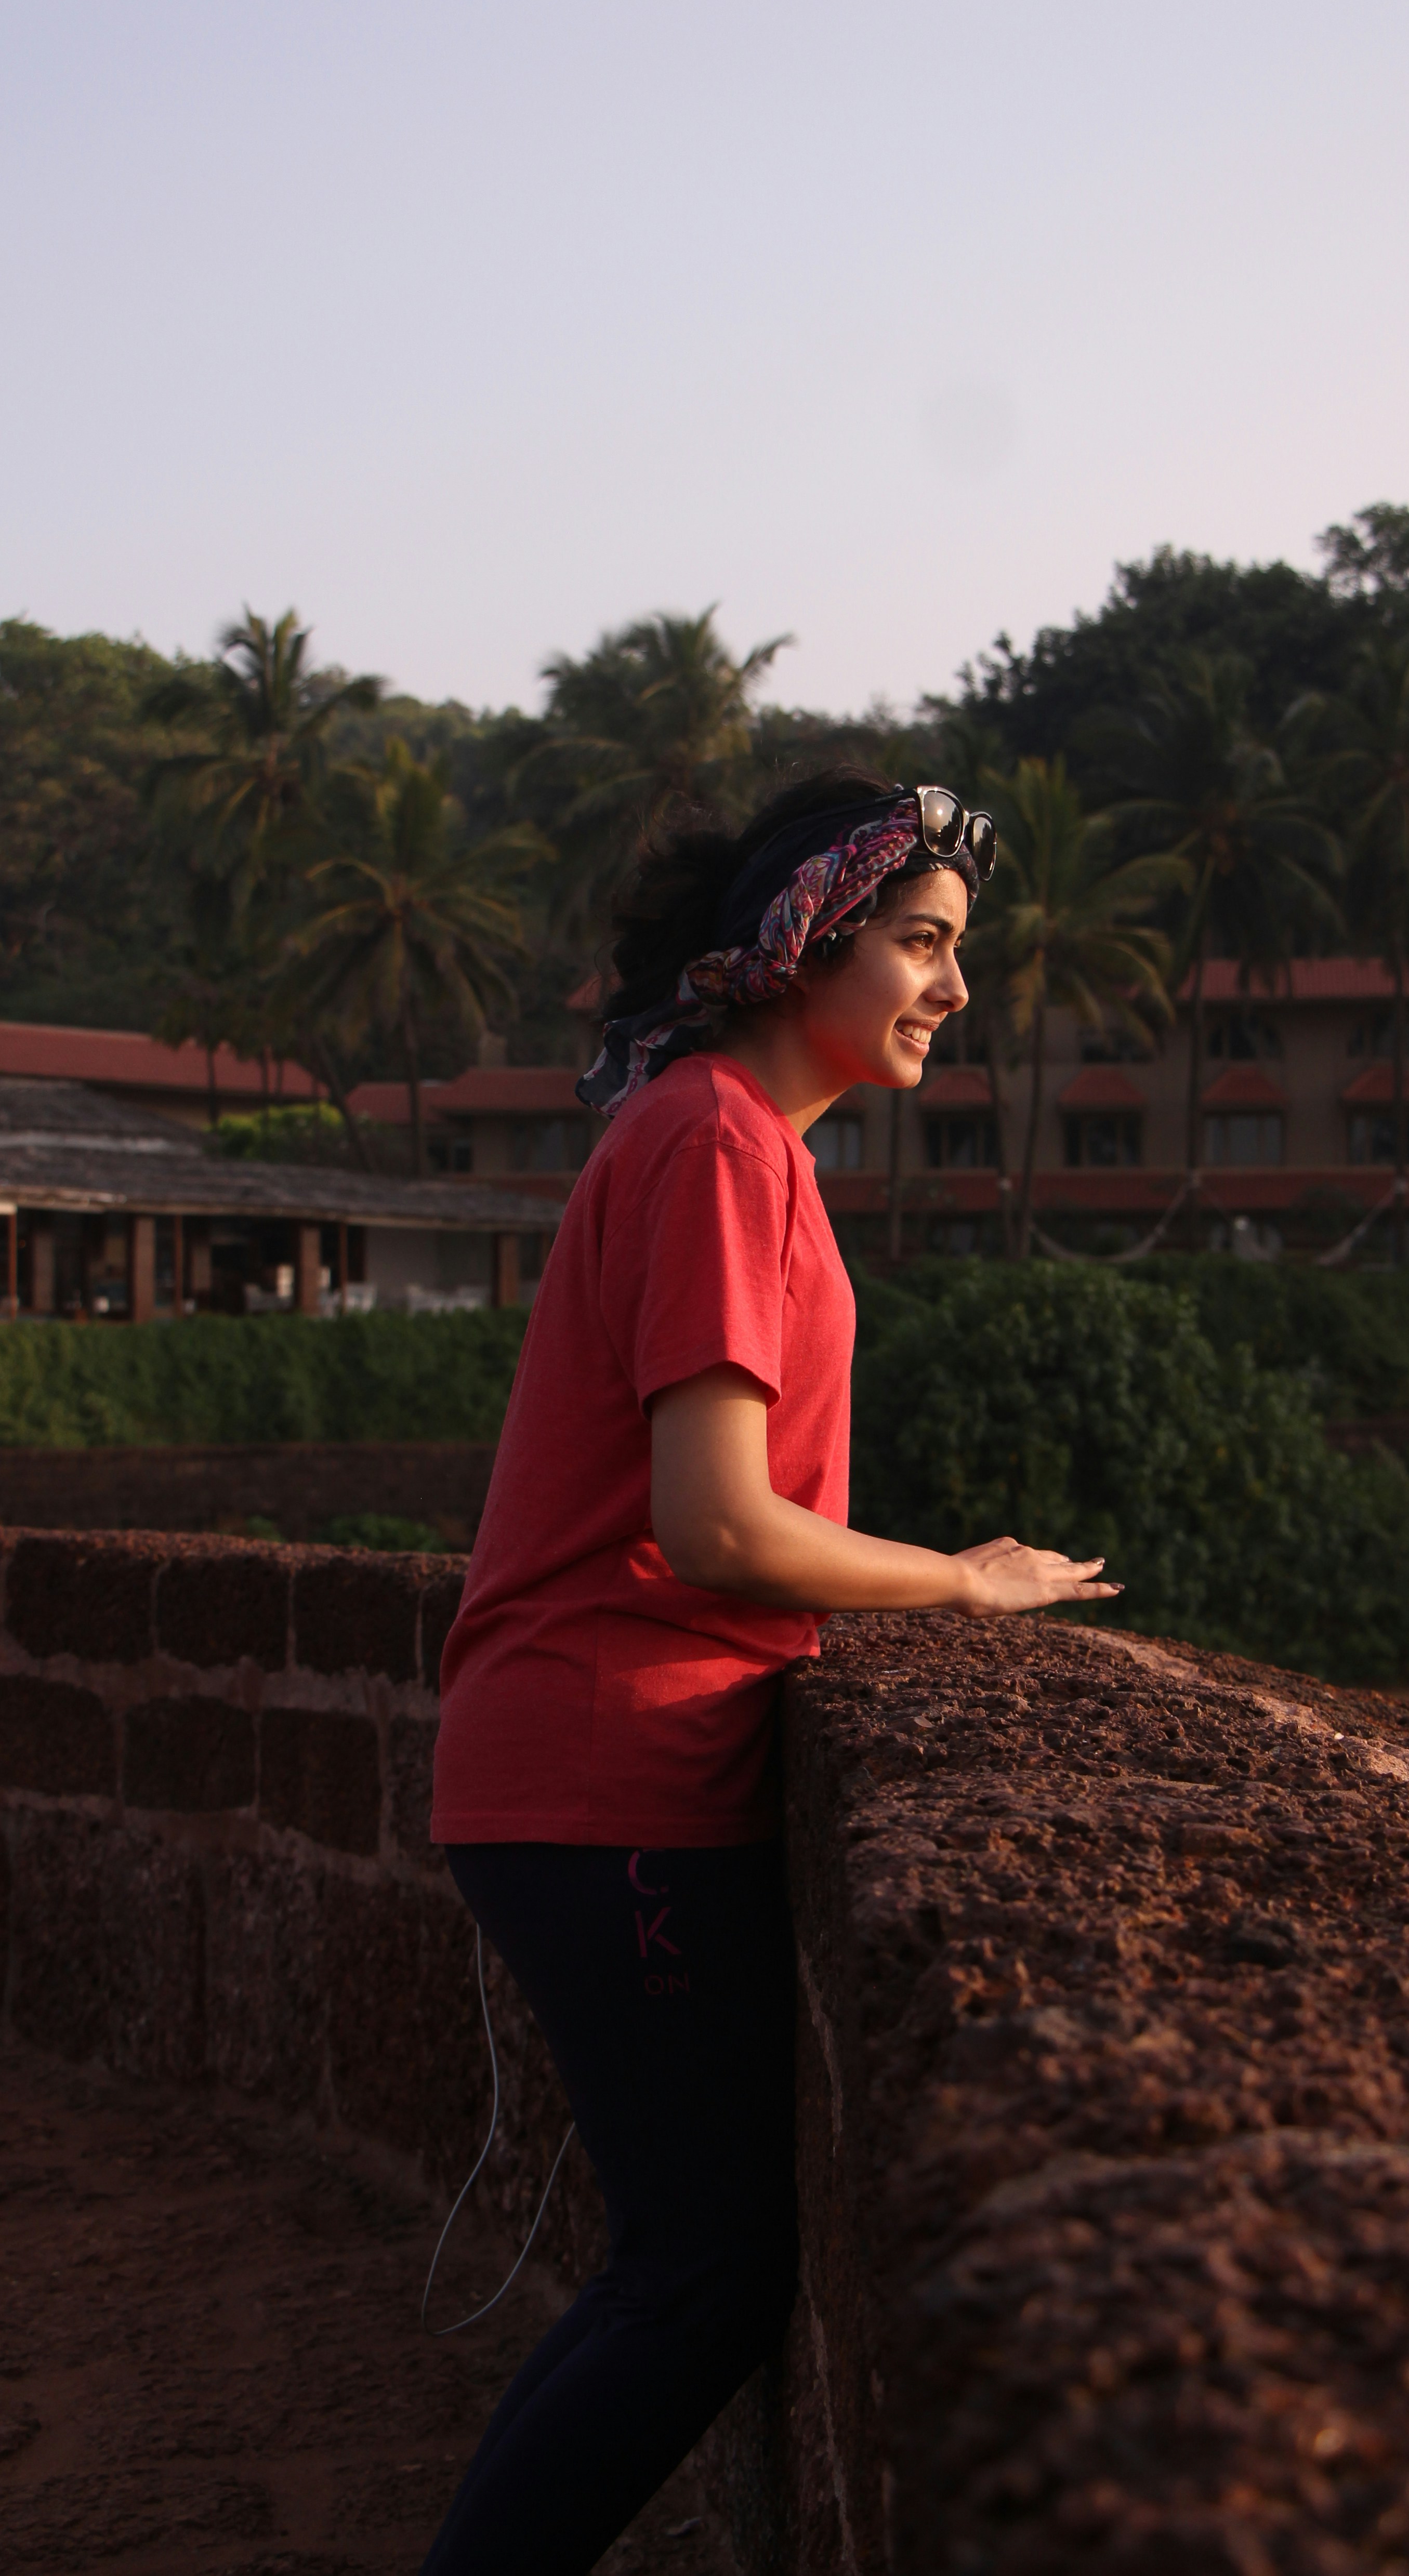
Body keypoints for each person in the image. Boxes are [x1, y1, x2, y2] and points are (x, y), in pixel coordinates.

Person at [424, 765, 1119, 2574]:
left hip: (586, 1767)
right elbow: (719, 1526)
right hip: (614, 1771)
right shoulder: (723, 1142)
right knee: (708, 2272)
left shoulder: (722, 1138)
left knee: (675, 2266)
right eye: (923, 942)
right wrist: (963, 1587)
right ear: (805, 936)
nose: (952, 988)